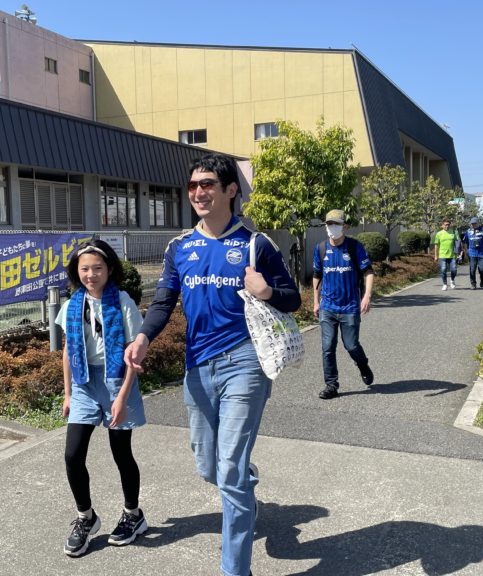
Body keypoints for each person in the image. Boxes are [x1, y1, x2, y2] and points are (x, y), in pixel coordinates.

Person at [125, 153, 301, 576]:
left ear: (230, 190)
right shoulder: (179, 247)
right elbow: (164, 301)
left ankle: (234, 569)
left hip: (245, 362)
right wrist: (144, 337)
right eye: (193, 186)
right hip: (198, 367)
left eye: (207, 184)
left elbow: (292, 298)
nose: (198, 193)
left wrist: (266, 291)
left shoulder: (256, 244)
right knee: (210, 467)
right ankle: (244, 481)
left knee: (229, 470)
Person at [57, 239, 148, 557]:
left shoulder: (122, 301)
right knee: (72, 455)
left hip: (117, 381)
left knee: (121, 453)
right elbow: (68, 350)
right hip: (83, 383)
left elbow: (134, 355)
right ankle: (86, 517)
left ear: (109, 269)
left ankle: (133, 515)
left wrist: (122, 397)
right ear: (76, 271)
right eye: (85, 269)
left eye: (97, 268)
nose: (91, 275)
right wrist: (68, 393)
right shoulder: (73, 304)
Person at [313, 208, 375, 399]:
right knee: (327, 347)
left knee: (351, 345)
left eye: (336, 224)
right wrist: (315, 302)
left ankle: (362, 364)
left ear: (345, 226)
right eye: (329, 224)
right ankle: (331, 385)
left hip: (349, 307)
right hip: (328, 307)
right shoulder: (321, 248)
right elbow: (317, 275)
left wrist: (366, 296)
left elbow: (368, 272)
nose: (332, 227)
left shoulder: (355, 247)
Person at [462, 217, 483, 289]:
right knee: (472, 269)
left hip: (481, 253)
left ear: (478, 223)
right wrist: (466, 251)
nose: (473, 225)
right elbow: (464, 242)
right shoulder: (468, 232)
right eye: (472, 224)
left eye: (475, 223)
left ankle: (482, 280)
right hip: (472, 253)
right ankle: (473, 284)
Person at [433, 218, 459, 290]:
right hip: (442, 255)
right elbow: (436, 245)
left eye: (448, 225)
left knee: (454, 270)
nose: (447, 226)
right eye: (445, 225)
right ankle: (444, 284)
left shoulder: (453, 232)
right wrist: (436, 255)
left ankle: (452, 280)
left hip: (452, 255)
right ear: (442, 225)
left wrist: (459, 252)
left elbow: (457, 242)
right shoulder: (439, 234)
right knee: (443, 269)